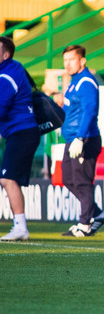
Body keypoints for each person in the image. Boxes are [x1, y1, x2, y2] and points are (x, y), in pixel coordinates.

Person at [60, 45, 104, 237]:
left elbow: (90, 111)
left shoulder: (86, 82)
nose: (68, 64)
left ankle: (85, 224)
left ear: (82, 61)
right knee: (68, 179)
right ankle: (98, 215)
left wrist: (80, 137)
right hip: (73, 139)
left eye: (72, 59)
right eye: (65, 60)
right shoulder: (75, 82)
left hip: (85, 139)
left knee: (82, 182)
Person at [0, 36, 41, 241]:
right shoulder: (13, 68)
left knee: (7, 179)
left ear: (5, 54)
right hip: (22, 132)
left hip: (21, 132)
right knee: (9, 179)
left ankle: (20, 227)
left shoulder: (6, 77)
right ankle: (19, 226)